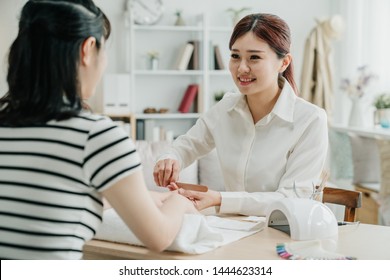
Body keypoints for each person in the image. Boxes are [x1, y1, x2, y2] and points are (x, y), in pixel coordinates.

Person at [0, 0, 196, 260]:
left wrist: (140, 196)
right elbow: (158, 236)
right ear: (88, 49)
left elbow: (46, 198)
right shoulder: (96, 136)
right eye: (105, 51)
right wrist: (180, 202)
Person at [153, 13, 329, 216]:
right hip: (230, 229)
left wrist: (220, 199)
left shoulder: (310, 120)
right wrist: (169, 158)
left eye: (254, 57)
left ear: (284, 63)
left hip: (282, 234)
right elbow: (187, 145)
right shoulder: (226, 108)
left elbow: (291, 200)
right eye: (235, 56)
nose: (242, 68)